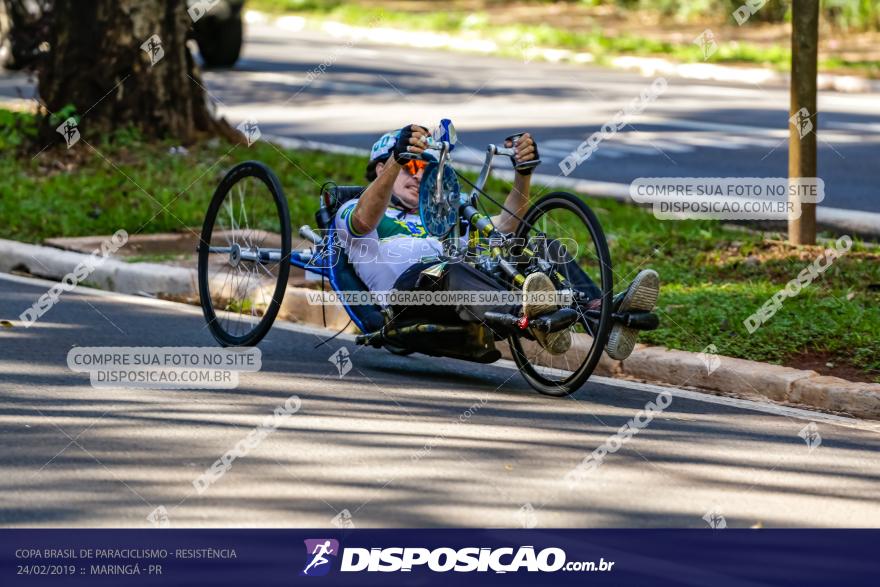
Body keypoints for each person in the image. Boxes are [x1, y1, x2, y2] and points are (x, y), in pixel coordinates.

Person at [334, 124, 659, 360]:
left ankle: (603, 317)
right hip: (407, 299)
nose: (420, 176)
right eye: (412, 166)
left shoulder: (442, 214)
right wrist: (397, 160)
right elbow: (363, 221)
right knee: (449, 267)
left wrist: (523, 174)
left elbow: (504, 232)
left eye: (428, 169)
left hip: (465, 293)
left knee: (540, 246)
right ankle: (537, 319)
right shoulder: (356, 209)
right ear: (381, 168)